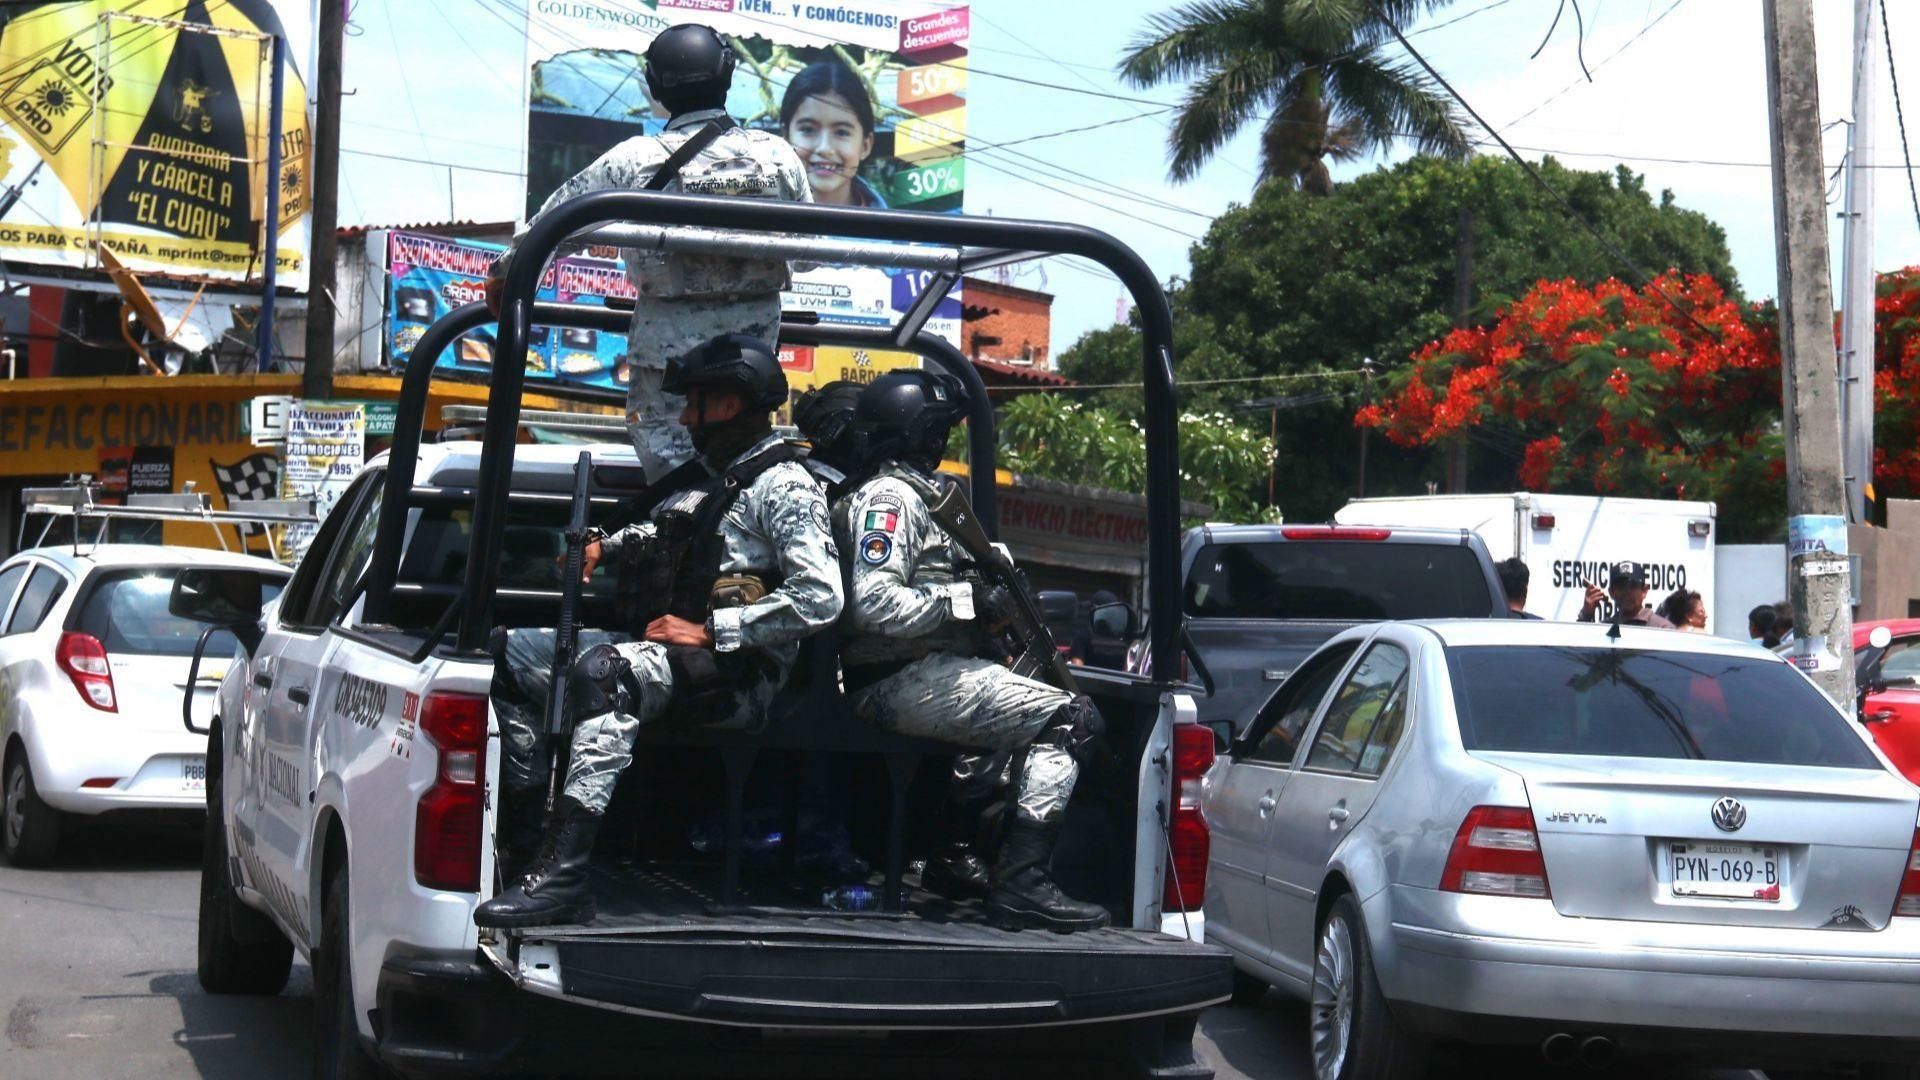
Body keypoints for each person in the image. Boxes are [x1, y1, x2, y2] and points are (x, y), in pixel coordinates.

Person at [476, 334, 844, 928]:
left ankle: (563, 878)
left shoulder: (785, 485)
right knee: (508, 655)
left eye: (694, 403)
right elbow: (674, 535)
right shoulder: (717, 477)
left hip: (738, 678)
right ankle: (526, 846)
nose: (684, 416)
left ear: (728, 404)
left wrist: (713, 631)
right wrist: (603, 547)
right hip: (680, 662)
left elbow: (821, 597)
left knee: (606, 673)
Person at [836, 370, 1111, 932]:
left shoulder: (925, 498)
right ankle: (1021, 884)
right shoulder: (889, 499)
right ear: (919, 431)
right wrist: (968, 602)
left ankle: (955, 855)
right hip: (896, 676)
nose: (943, 441)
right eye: (938, 428)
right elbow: (874, 604)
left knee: (1039, 711)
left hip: (930, 672)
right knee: (1068, 722)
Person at [490, 23, 813, 484]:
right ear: (728, 76)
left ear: (655, 86)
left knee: (672, 480)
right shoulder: (778, 157)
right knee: (743, 474)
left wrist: (505, 274)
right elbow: (807, 256)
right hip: (752, 364)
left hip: (666, 366)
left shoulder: (634, 160)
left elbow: (554, 224)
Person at [780, 59, 887, 208]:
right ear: (785, 138)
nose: (824, 148)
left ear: (865, 146)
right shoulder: (753, 220)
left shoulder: (889, 228)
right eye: (808, 130)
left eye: (842, 132)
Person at [1577, 561, 1675, 628]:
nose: (1627, 592)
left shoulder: (1662, 628)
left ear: (1644, 591)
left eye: (1632, 586)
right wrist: (1586, 615)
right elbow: (1576, 651)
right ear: (1611, 593)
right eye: (1621, 587)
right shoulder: (1606, 628)